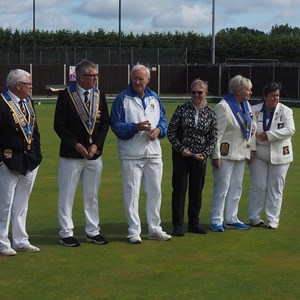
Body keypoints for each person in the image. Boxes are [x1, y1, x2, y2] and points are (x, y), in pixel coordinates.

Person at [110, 63, 171, 244]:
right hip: (131, 154)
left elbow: (163, 121)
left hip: (153, 153)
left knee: (155, 191)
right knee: (132, 193)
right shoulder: (122, 99)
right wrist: (135, 127)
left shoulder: (154, 98)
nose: (137, 81)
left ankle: (154, 228)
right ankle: (133, 231)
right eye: (134, 78)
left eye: (140, 78)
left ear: (148, 80)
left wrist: (159, 131)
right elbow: (116, 125)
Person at [54, 59, 109, 247]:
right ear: (80, 77)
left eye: (96, 75)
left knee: (91, 195)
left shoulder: (99, 94)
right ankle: (65, 232)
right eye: (92, 76)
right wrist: (76, 144)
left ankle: (93, 231)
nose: (95, 79)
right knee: (67, 194)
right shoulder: (66, 95)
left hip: (94, 154)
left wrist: (97, 146)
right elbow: (59, 125)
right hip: (71, 154)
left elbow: (104, 124)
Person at [167, 79, 217, 236]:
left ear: (206, 94)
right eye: (193, 92)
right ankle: (178, 224)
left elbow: (213, 137)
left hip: (199, 158)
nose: (196, 95)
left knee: (197, 191)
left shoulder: (211, 113)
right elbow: (171, 132)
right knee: (180, 189)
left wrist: (205, 153)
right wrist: (181, 148)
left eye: (199, 92)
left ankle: (194, 223)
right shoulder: (181, 109)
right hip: (182, 156)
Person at [0, 69, 42, 256]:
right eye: (28, 84)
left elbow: (34, 130)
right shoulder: (1, 103)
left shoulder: (28, 102)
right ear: (18, 86)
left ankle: (20, 239)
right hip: (8, 161)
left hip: (30, 160)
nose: (31, 88)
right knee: (5, 203)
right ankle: (2, 242)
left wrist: (37, 153)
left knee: (22, 203)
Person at [210, 75, 255, 232]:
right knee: (222, 188)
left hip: (241, 153)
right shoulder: (223, 106)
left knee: (236, 187)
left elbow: (250, 122)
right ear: (239, 90)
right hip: (224, 155)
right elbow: (216, 134)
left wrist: (253, 128)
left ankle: (231, 218)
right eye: (248, 90)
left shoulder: (247, 104)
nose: (250, 93)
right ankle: (217, 219)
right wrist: (216, 155)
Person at [248, 82, 295, 229]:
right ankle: (254, 217)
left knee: (276, 187)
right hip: (259, 154)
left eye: (277, 95)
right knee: (259, 186)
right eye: (272, 95)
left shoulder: (285, 111)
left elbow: (290, 130)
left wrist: (269, 135)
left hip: (280, 154)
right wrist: (251, 149)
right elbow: (249, 132)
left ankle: (273, 219)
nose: (275, 98)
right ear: (265, 96)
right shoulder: (254, 110)